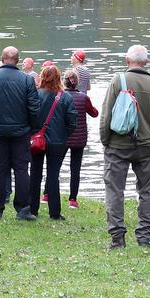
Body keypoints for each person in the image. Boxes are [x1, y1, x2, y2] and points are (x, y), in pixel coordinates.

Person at [97, 45, 150, 248]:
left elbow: (106, 115)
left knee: (115, 190)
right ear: (146, 62)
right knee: (146, 191)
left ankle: (117, 237)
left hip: (117, 145)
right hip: (146, 145)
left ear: (127, 60)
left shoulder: (118, 80)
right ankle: (144, 236)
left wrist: (105, 140)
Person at [0, 46, 40, 221]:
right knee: (21, 170)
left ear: (2, 58)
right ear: (18, 60)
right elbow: (33, 107)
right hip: (21, 131)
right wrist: (32, 128)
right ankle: (23, 209)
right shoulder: (27, 80)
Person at [27, 62, 78, 220]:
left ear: (42, 77)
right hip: (57, 141)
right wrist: (63, 134)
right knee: (53, 175)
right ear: (58, 78)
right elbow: (72, 122)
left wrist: (34, 133)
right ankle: (54, 212)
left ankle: (32, 209)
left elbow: (28, 116)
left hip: (37, 140)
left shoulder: (35, 95)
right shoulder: (66, 97)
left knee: (35, 174)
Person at [63, 68, 98, 208]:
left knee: (55, 166)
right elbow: (94, 113)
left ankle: (47, 194)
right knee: (75, 169)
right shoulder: (84, 98)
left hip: (63, 137)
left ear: (64, 82)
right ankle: (73, 199)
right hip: (79, 138)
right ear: (77, 83)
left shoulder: (59, 96)